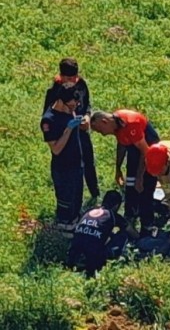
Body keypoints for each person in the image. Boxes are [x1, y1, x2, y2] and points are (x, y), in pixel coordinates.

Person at [90, 110, 160, 236]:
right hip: (134, 148)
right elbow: (122, 145)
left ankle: (147, 226)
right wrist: (118, 169)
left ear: (105, 122)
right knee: (130, 186)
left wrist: (140, 178)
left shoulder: (131, 125)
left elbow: (145, 152)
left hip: (148, 150)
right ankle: (130, 216)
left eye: (100, 131)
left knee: (144, 190)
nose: (102, 135)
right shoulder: (116, 125)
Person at [43, 58, 100, 208]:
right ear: (61, 76)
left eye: (74, 77)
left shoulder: (81, 85)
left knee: (88, 160)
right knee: (70, 169)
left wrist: (87, 117)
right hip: (65, 136)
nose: (73, 81)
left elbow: (87, 104)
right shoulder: (54, 91)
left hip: (80, 131)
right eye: (69, 78)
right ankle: (68, 204)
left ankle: (94, 192)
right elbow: (48, 116)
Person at [40, 84, 84, 236]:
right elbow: (56, 149)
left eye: (76, 106)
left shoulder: (69, 109)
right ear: (60, 101)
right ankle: (64, 229)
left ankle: (75, 222)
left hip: (76, 163)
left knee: (77, 196)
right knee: (65, 200)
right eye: (71, 106)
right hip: (63, 167)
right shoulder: (49, 120)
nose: (73, 110)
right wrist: (69, 129)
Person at [66, 190, 135, 277]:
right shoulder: (113, 215)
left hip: (72, 254)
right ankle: (108, 260)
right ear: (117, 205)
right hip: (93, 258)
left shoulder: (88, 211)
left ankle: (79, 262)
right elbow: (132, 232)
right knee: (123, 235)